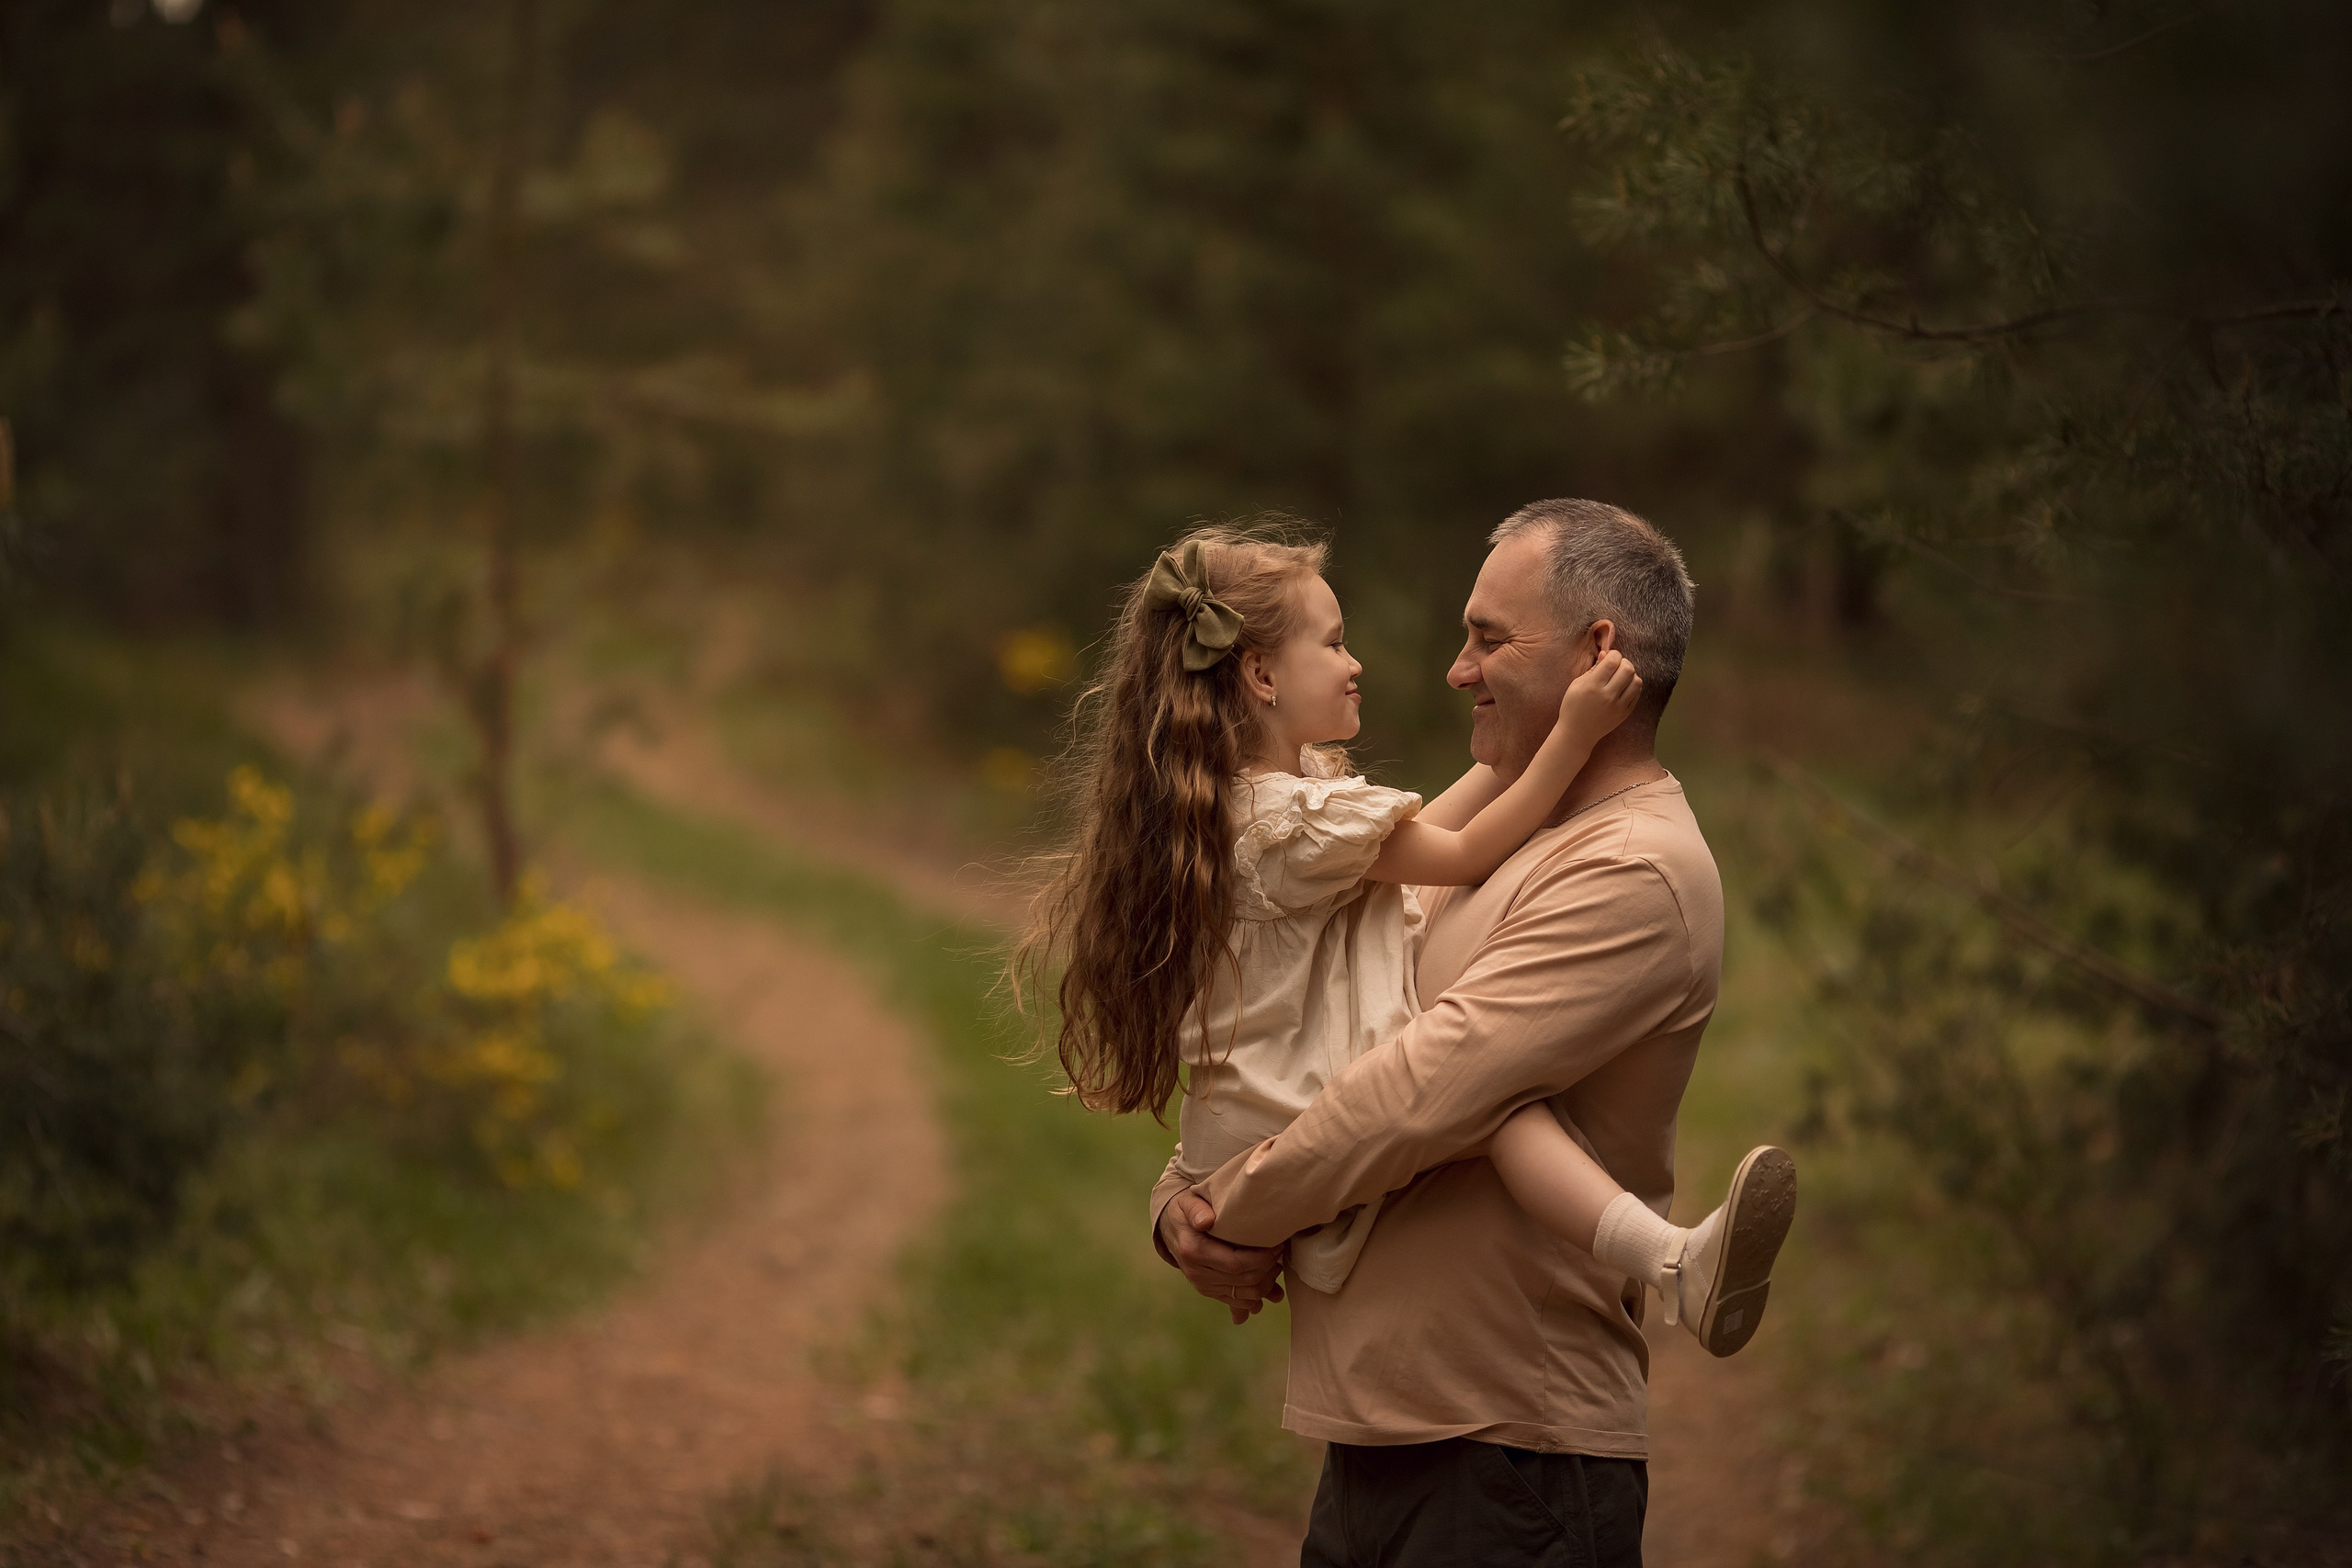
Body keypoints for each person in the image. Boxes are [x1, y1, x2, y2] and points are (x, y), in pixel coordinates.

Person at [1019, 506, 1792, 1563]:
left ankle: (1672, 1264)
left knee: (1491, 1108)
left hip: (1505, 1450)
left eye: (1487, 637)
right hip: (1388, 1430)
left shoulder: (1630, 869)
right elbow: (1317, 1049)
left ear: (1596, 655)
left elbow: (1415, 1095)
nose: (1451, 670)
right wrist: (1181, 1209)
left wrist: (1229, 1210)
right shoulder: (1466, 840)